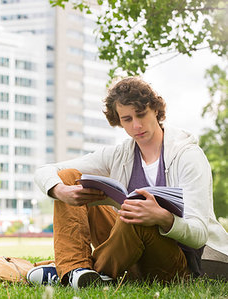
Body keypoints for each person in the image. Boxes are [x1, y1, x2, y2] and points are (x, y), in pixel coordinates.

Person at [29, 77, 228, 289]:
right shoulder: (119, 155)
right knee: (69, 177)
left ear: (156, 110)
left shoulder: (188, 156)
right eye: (127, 119)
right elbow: (45, 170)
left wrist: (162, 217)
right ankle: (75, 271)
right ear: (119, 121)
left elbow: (198, 235)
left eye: (141, 115)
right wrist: (60, 190)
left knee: (136, 216)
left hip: (181, 263)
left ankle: (70, 272)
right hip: (131, 253)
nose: (136, 125)